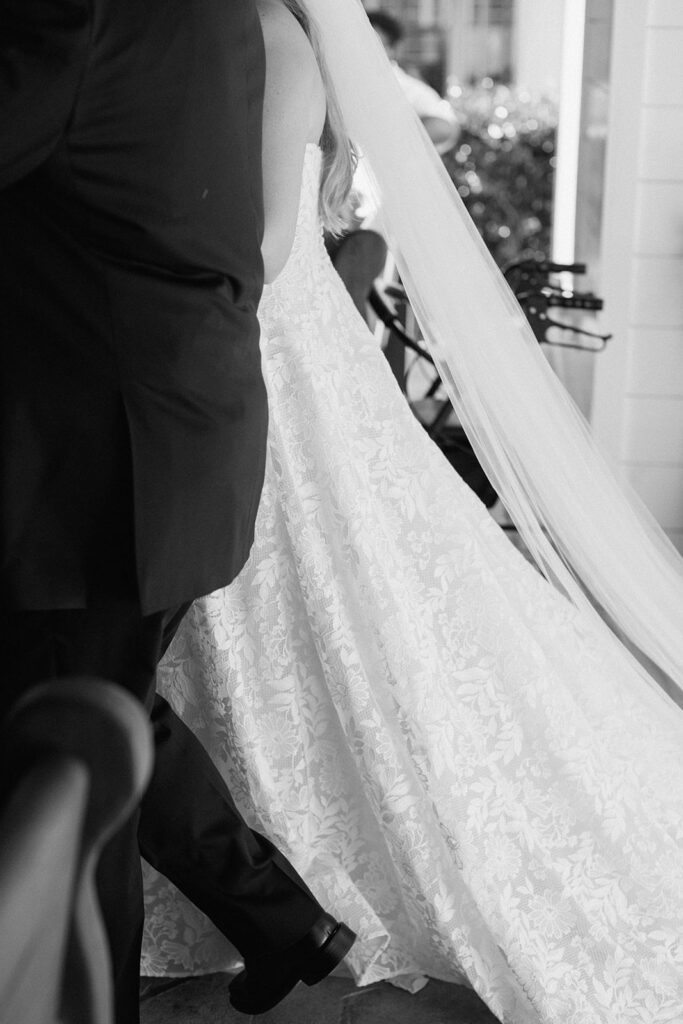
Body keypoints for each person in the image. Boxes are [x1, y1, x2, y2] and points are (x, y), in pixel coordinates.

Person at [143, 0, 683, 1020]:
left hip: (267, 361)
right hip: (236, 358)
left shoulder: (268, 33)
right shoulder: (229, 30)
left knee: (339, 611)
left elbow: (261, 244)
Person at [0, 1, 354, 1021]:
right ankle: (284, 923)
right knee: (97, 715)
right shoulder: (208, 18)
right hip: (160, 442)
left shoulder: (90, 14)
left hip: (106, 465)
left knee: (75, 756)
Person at [367, 9, 459, 155]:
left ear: (393, 49)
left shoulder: (408, 88)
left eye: (373, 43)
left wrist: (387, 144)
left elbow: (444, 127)